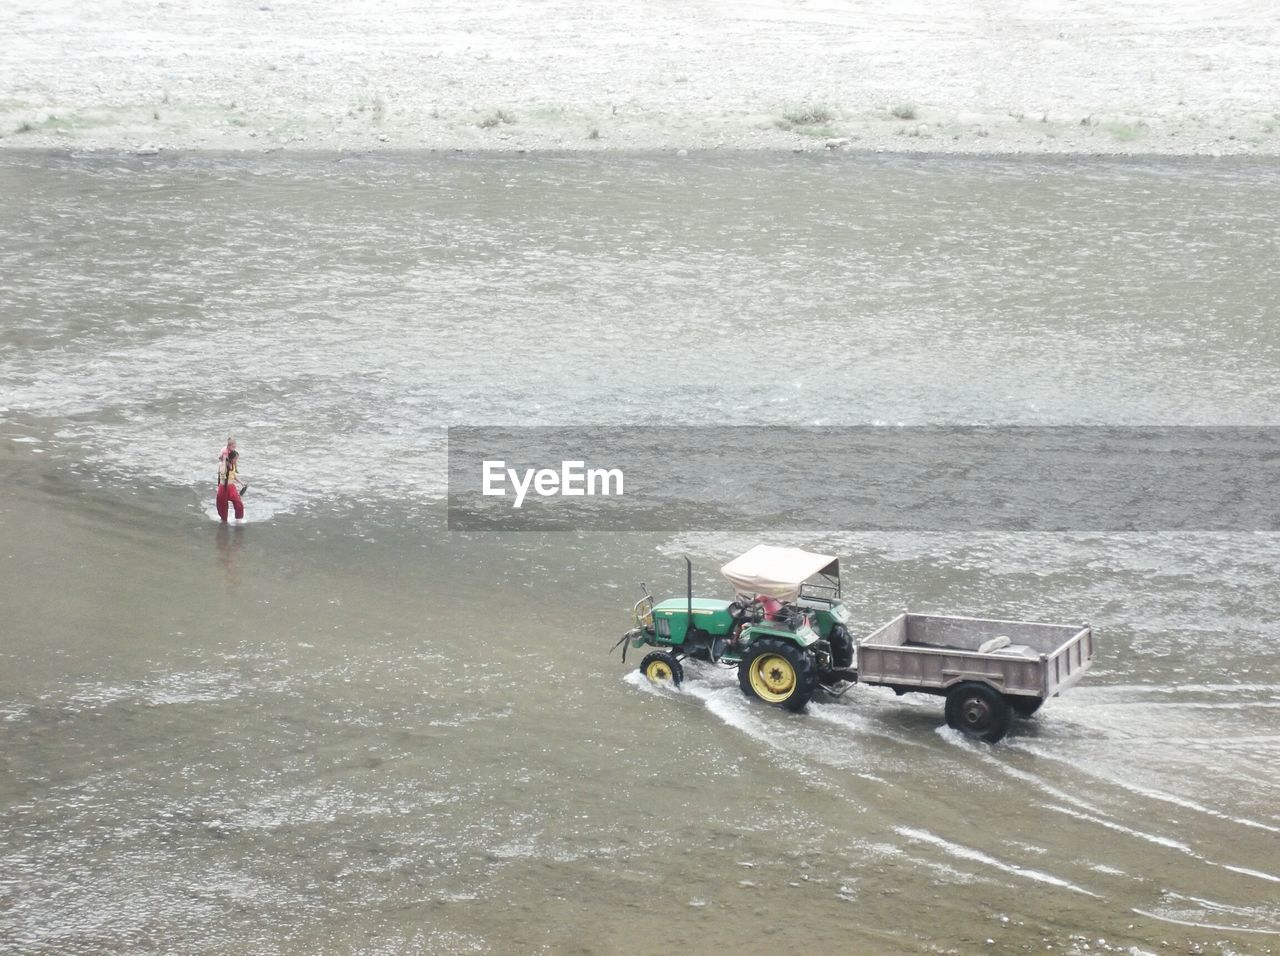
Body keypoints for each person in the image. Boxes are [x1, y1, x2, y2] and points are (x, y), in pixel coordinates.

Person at [216, 448, 247, 522]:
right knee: (223, 506)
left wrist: (242, 482)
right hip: (223, 488)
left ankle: (238, 520)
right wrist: (224, 459)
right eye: (235, 458)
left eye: (237, 459)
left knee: (238, 503)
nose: (236, 460)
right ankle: (224, 522)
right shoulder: (222, 465)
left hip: (232, 487)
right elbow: (222, 472)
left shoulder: (233, 465)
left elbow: (234, 475)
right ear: (230, 458)